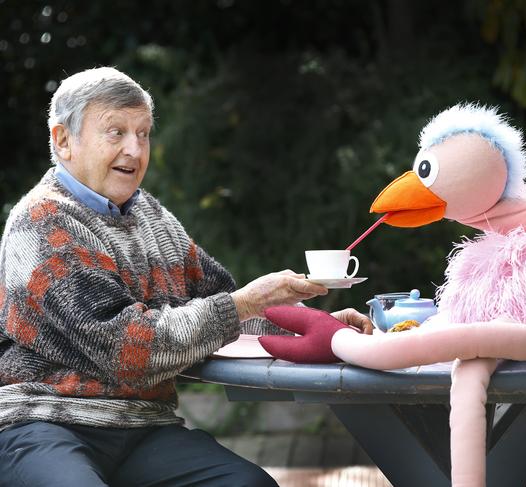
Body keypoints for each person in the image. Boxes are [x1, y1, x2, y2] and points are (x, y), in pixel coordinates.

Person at [0, 66, 372, 487]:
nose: (134, 150)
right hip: (45, 422)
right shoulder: (42, 222)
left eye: (143, 134)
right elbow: (129, 350)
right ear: (63, 140)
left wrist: (323, 327)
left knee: (248, 484)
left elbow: (227, 313)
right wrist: (246, 301)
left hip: (142, 427)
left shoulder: (153, 217)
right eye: (115, 132)